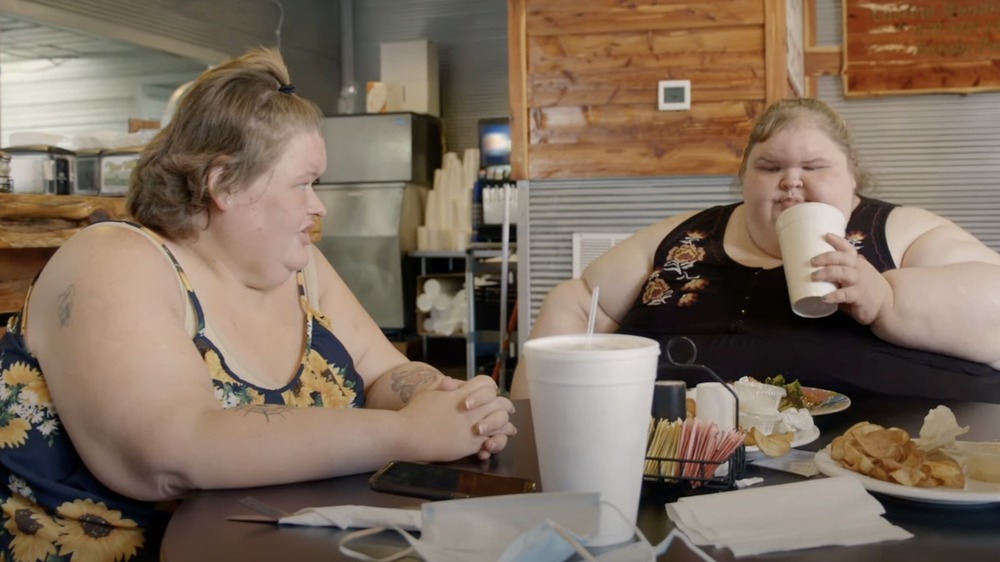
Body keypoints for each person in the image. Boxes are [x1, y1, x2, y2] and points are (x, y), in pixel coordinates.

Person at [0, 48, 515, 562]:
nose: (319, 206)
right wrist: (409, 433)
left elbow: (384, 374)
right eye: (303, 183)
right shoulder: (113, 259)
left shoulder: (300, 267)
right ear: (223, 182)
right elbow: (172, 451)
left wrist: (450, 401)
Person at [511, 97, 1000, 404]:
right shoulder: (680, 236)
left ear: (853, 176)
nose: (792, 181)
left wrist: (886, 301)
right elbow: (576, 302)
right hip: (673, 462)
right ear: (743, 180)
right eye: (769, 167)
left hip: (886, 470)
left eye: (815, 166)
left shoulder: (899, 231)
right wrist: (535, 429)